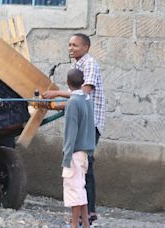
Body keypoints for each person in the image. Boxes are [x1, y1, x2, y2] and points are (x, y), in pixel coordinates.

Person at [43, 33, 105, 224]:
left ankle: (83, 215)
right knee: (83, 171)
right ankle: (85, 218)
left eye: (75, 45)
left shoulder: (90, 65)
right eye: (69, 45)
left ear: (86, 47)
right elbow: (75, 97)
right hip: (83, 120)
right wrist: (54, 103)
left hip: (89, 123)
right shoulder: (75, 66)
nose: (71, 48)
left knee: (80, 174)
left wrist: (56, 95)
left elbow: (81, 94)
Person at [62, 68, 95, 228]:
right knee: (80, 188)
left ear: (67, 83)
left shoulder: (72, 103)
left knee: (73, 190)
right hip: (85, 151)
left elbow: (71, 132)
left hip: (74, 152)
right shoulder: (88, 99)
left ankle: (74, 224)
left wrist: (66, 156)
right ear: (82, 83)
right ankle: (86, 223)